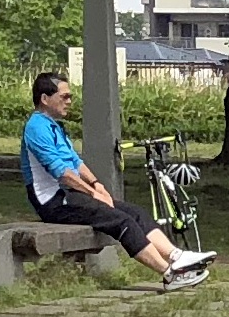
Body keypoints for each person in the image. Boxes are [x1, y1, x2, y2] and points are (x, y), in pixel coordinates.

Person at [19, 73, 216, 291]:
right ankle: (169, 274)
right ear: (45, 99)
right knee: (121, 221)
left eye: (70, 97)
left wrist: (96, 184)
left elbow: (74, 161)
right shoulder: (36, 128)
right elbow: (62, 173)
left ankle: (176, 257)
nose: (69, 101)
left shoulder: (53, 126)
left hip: (70, 195)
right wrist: (93, 194)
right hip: (53, 202)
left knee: (135, 212)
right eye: (64, 96)